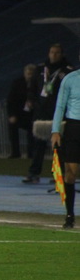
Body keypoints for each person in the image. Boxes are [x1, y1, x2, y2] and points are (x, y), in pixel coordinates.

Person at [23, 43, 75, 183]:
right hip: (41, 111)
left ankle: (59, 174)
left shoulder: (68, 70)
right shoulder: (40, 68)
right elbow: (32, 87)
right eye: (52, 52)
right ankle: (33, 173)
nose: (54, 55)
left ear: (62, 54)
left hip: (59, 112)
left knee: (59, 145)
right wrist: (31, 100)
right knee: (38, 143)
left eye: (57, 52)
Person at [51, 47, 80, 229]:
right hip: (74, 127)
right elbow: (60, 106)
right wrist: (55, 131)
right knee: (70, 173)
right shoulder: (70, 79)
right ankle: (70, 215)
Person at [6, 64, 36, 159]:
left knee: (33, 131)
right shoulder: (17, 83)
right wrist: (12, 115)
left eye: (32, 74)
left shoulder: (39, 84)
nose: (30, 76)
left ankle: (31, 153)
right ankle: (15, 152)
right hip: (19, 114)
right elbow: (10, 100)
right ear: (24, 73)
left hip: (33, 114)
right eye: (28, 73)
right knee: (12, 126)